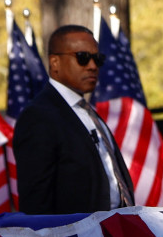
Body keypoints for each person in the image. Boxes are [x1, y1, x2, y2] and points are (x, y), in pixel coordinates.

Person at [13, 24, 135, 214]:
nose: (93, 66)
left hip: (116, 229)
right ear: (54, 63)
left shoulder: (86, 111)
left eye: (97, 59)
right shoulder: (39, 116)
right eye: (82, 58)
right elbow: (36, 202)